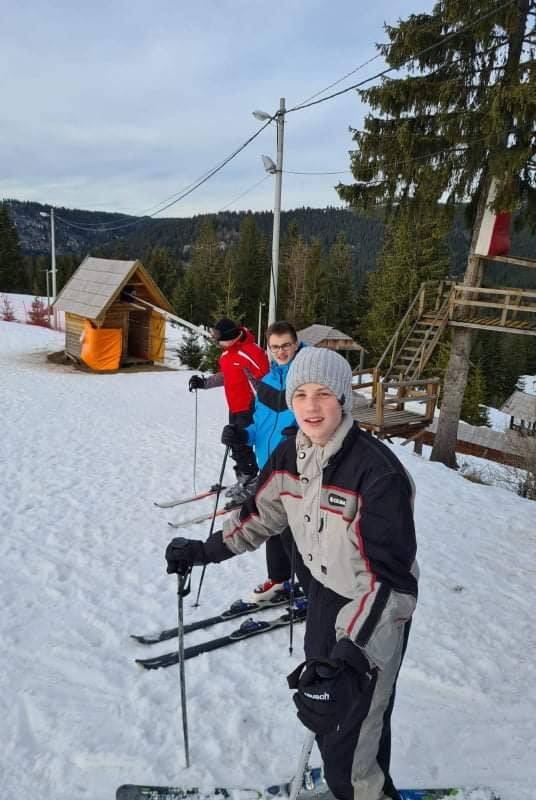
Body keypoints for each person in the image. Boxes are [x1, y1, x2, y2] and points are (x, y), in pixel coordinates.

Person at [168, 346, 418, 800]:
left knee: (354, 742)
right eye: (300, 393)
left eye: (323, 393)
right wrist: (202, 550)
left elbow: (391, 585)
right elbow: (260, 516)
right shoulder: (290, 454)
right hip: (322, 599)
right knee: (327, 718)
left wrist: (350, 656)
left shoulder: (378, 474)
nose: (311, 405)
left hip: (373, 616)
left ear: (343, 399)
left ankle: (367, 792)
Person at [221, 320, 307, 602]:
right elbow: (260, 425)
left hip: (298, 466)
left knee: (297, 530)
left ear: (296, 344)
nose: (281, 352)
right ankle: (279, 580)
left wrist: (302, 433)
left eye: (286, 346)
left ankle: (313, 588)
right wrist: (241, 435)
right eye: (275, 347)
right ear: (268, 349)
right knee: (273, 523)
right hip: (269, 465)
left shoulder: (307, 377)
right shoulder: (268, 381)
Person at [188, 317, 269, 498]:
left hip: (251, 407)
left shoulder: (252, 352)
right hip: (234, 406)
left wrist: (266, 406)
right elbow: (227, 376)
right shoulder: (227, 354)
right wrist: (204, 383)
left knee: (242, 443)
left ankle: (250, 480)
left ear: (230, 336)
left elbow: (265, 380)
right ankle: (244, 476)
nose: (216, 342)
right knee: (236, 443)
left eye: (219, 338)